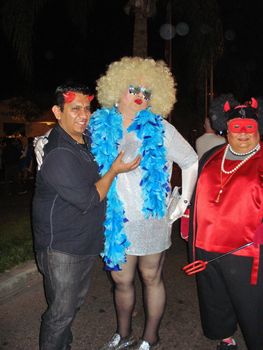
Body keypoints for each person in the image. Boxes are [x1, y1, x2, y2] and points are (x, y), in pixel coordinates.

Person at [35, 57, 198, 350]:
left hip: (151, 220)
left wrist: (182, 202)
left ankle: (151, 338)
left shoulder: (160, 128)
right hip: (113, 221)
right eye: (133, 88)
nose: (140, 96)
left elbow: (190, 161)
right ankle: (123, 335)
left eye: (147, 92)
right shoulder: (97, 123)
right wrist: (41, 140)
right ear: (116, 89)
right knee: (121, 282)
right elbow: (68, 132)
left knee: (152, 278)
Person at [32, 83, 140, 350]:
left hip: (81, 243)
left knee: (70, 306)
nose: (84, 115)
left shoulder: (83, 139)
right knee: (60, 314)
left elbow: (112, 122)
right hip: (61, 248)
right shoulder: (58, 153)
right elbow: (89, 199)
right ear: (58, 111)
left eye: (87, 108)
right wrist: (114, 170)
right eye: (75, 108)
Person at [187, 97, 263, 350]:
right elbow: (196, 191)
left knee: (253, 306)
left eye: (249, 127)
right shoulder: (211, 155)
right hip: (206, 246)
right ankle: (226, 338)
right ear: (226, 129)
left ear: (258, 128)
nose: (243, 134)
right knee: (215, 300)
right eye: (237, 128)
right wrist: (188, 218)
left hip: (247, 251)